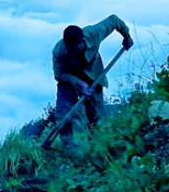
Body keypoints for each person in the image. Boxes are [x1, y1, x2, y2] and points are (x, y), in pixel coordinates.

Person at [52, 14, 133, 151]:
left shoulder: (94, 33)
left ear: (82, 40)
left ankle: (95, 145)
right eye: (70, 49)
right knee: (63, 112)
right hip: (68, 78)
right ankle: (68, 146)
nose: (72, 51)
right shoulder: (59, 50)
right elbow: (59, 74)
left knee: (95, 113)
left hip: (92, 75)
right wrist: (78, 82)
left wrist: (126, 36)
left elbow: (114, 20)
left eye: (76, 48)